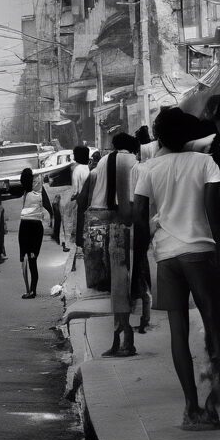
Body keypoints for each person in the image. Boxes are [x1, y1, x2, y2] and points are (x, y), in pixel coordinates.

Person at [134, 108, 220, 431]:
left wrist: (141, 256)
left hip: (167, 256)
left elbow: (139, 217)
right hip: (200, 253)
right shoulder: (204, 163)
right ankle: (215, 401)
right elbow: (212, 213)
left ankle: (191, 408)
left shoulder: (148, 168)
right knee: (216, 327)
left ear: (159, 137)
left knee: (178, 334)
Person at [83, 132, 139, 357]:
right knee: (123, 282)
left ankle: (120, 336)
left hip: (100, 222)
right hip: (122, 224)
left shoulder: (104, 161)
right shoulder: (134, 161)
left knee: (115, 284)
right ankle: (125, 336)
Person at [18, 168, 53, 299]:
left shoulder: (25, 190)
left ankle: (30, 290)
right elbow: (48, 206)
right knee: (33, 259)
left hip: (25, 227)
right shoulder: (39, 190)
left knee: (25, 258)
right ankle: (32, 290)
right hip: (36, 227)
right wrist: (52, 217)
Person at [61, 145, 91, 252]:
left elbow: (75, 191)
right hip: (89, 201)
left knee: (76, 223)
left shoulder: (77, 170)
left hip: (79, 201)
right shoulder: (89, 168)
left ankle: (73, 245)